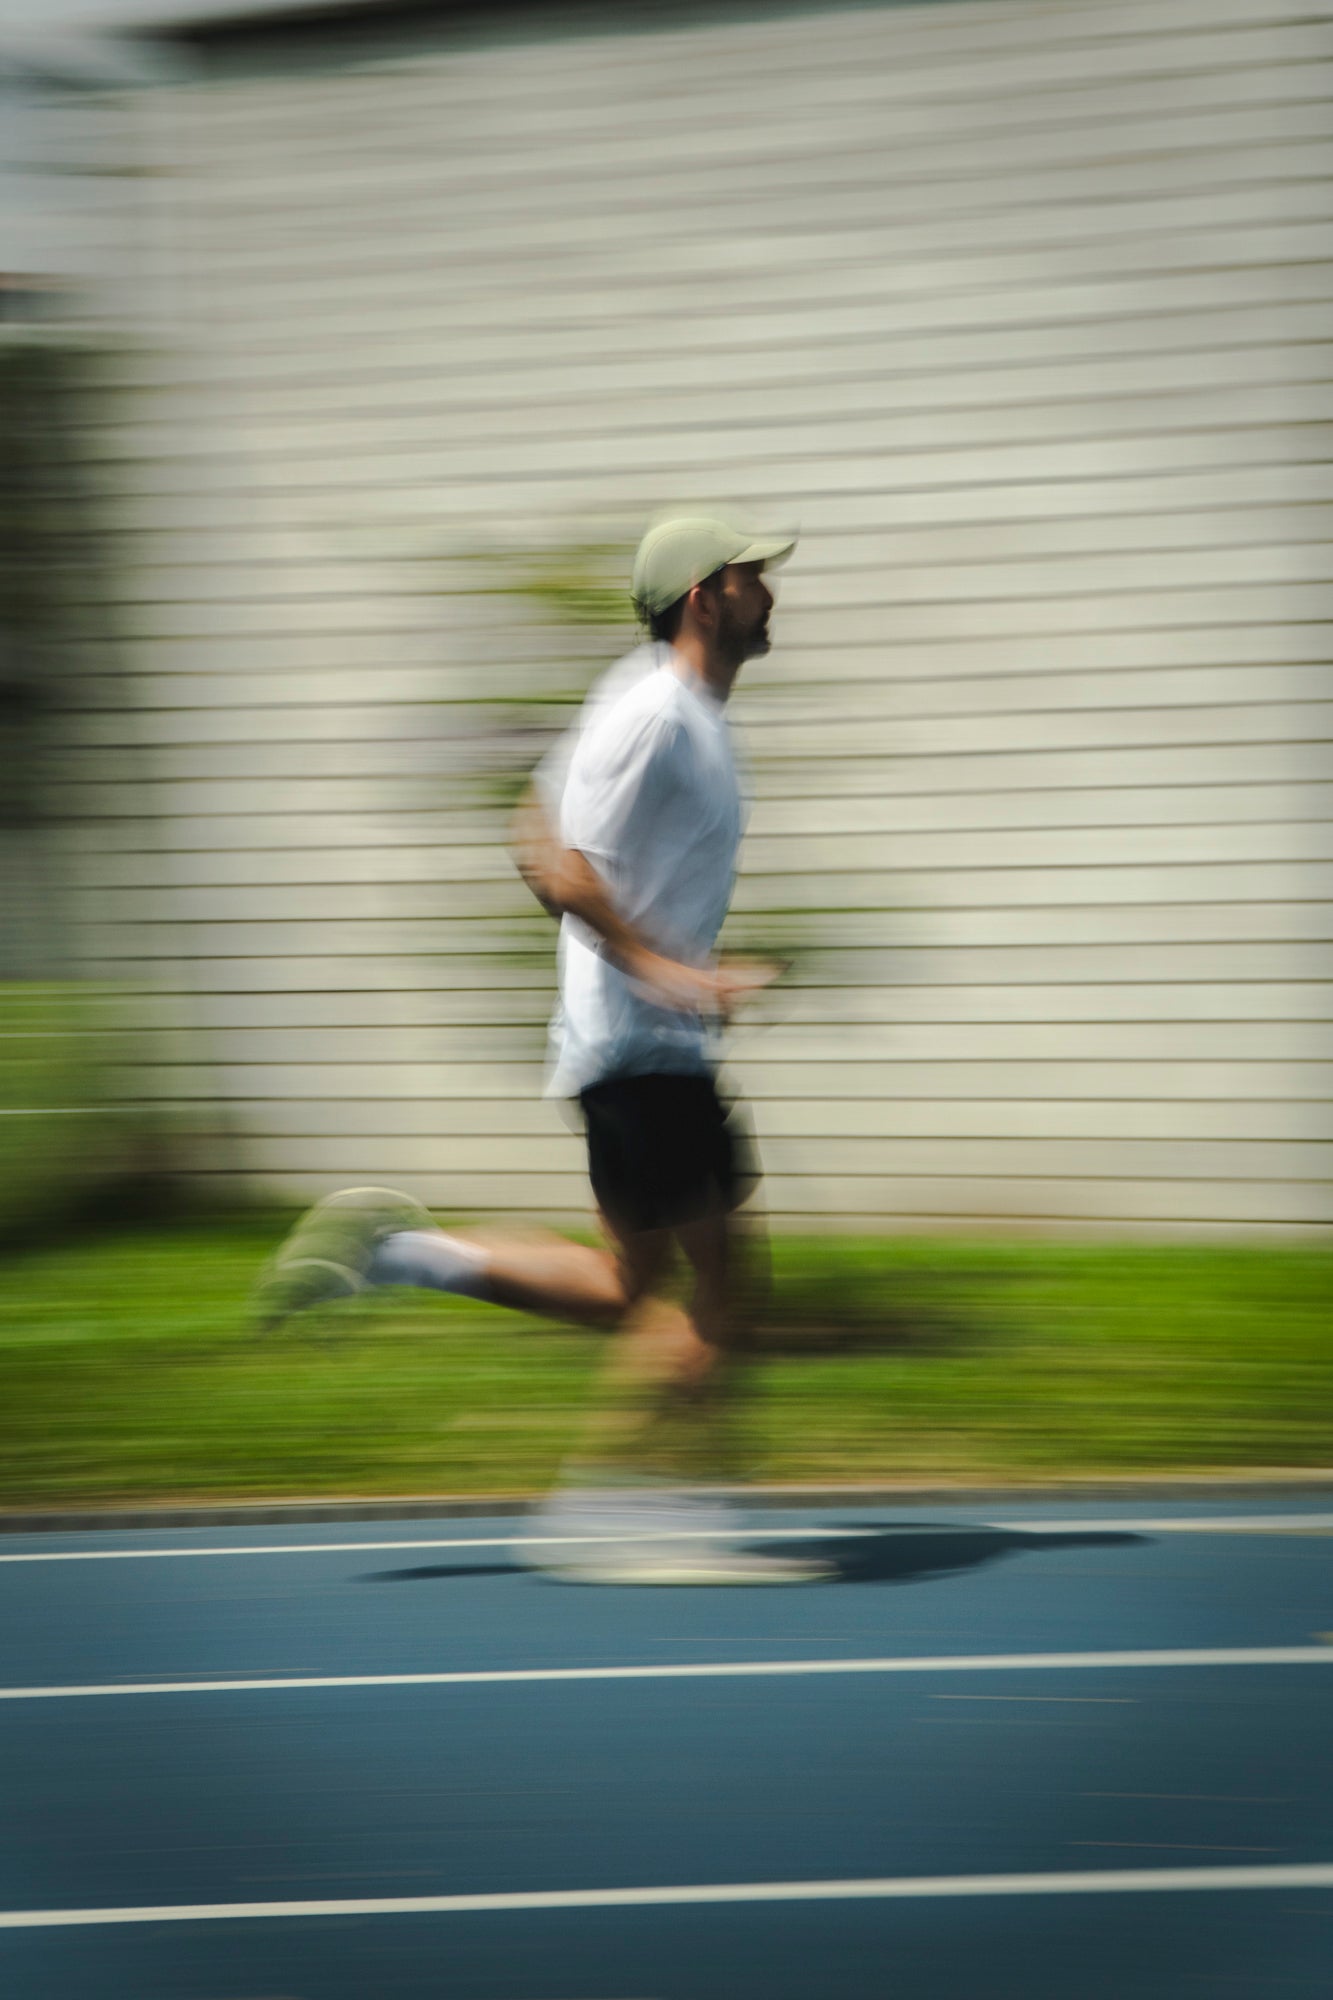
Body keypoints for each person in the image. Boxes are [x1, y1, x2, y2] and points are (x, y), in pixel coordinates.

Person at [255, 512, 827, 1583]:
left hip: (634, 1043)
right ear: (705, 595)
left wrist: (669, 967)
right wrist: (667, 971)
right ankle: (627, 1513)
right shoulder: (656, 710)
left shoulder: (660, 703)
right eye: (753, 574)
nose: (770, 590)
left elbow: (531, 812)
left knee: (628, 1284)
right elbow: (553, 861)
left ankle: (396, 1255)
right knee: (719, 1291)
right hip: (643, 1045)